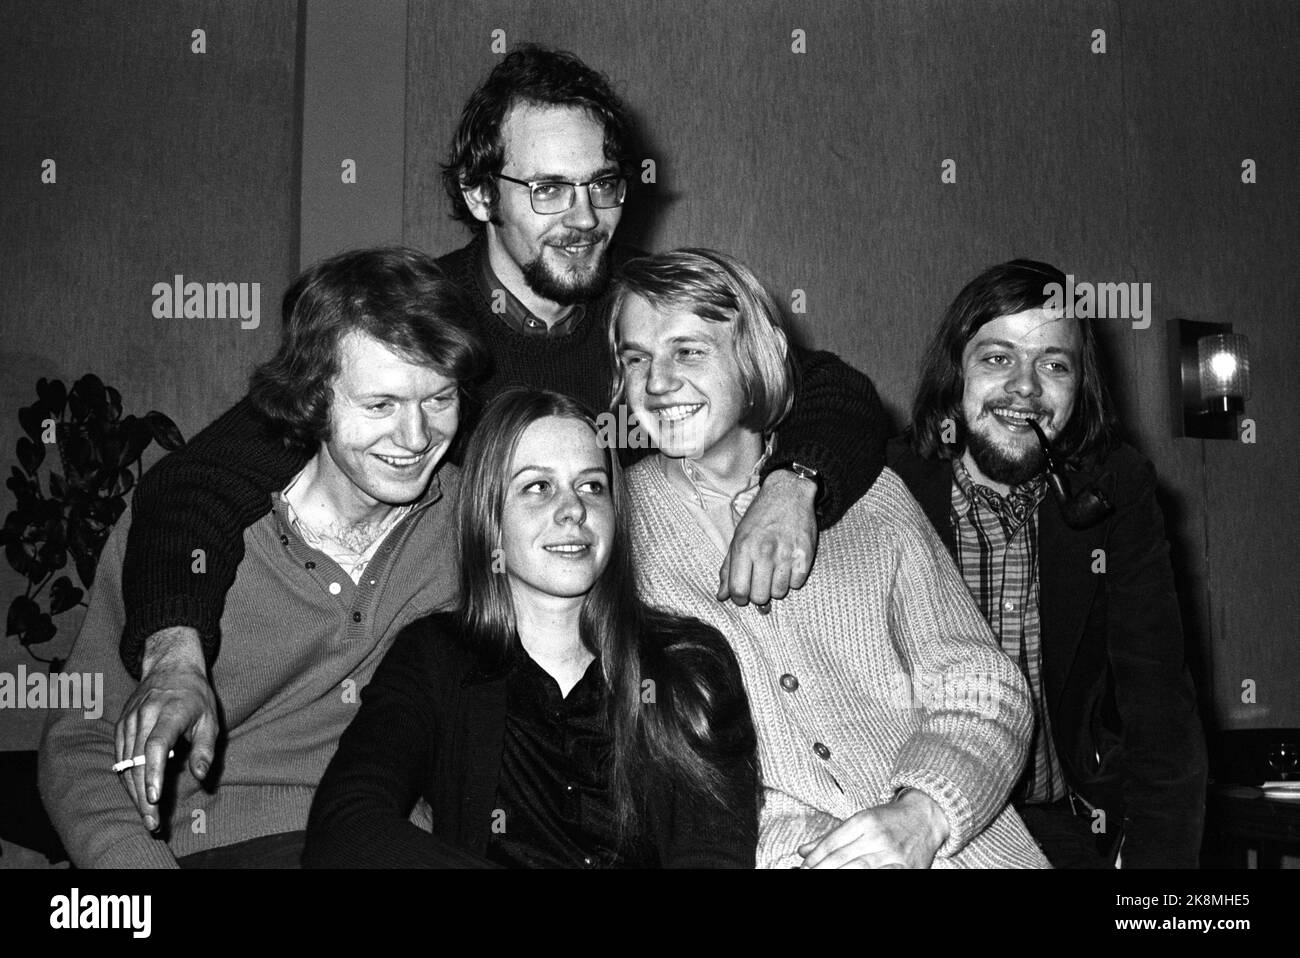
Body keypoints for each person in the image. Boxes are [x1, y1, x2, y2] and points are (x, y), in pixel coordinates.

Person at [112, 45, 888, 828]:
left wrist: (798, 483)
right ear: (481, 195)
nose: (584, 219)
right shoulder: (415, 324)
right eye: (548, 189)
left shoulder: (642, 316)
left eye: (602, 185)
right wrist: (175, 658)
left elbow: (831, 390)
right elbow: (196, 482)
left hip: (607, 711)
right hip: (455, 725)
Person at [39, 246, 486, 866]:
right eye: (380, 405)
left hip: (382, 846)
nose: (416, 439)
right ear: (313, 397)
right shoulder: (180, 533)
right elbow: (80, 742)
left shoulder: (468, 522)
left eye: (438, 400)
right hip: (204, 849)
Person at [611, 248, 1048, 868]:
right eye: (636, 359)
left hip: (976, 849)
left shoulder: (869, 492)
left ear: (752, 357)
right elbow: (660, 767)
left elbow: (984, 685)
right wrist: (819, 851)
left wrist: (924, 814)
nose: (656, 383)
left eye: (689, 351)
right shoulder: (614, 531)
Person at [303, 389, 758, 867]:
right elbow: (346, 827)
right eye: (537, 487)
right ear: (490, 518)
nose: (573, 510)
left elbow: (713, 856)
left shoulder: (688, 663)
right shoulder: (437, 658)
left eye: (591, 486)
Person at [887, 259, 1208, 868]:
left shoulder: (1119, 490)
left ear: (1079, 390)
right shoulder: (889, 483)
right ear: (954, 375)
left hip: (1067, 828)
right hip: (918, 829)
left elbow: (1158, 700)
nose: (1026, 387)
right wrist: (791, 485)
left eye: (1053, 364)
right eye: (997, 358)